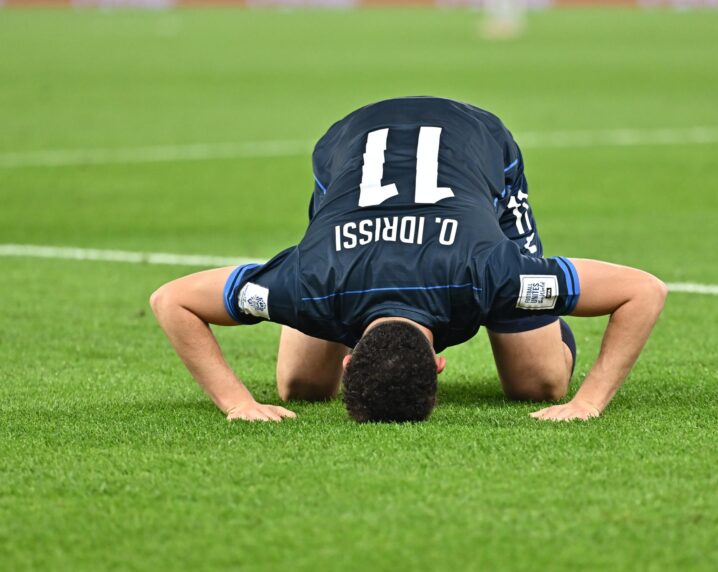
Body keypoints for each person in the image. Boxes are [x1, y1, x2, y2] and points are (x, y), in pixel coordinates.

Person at [150, 97, 667, 423]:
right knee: (302, 388)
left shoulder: (489, 271)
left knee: (539, 383)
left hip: (477, 140)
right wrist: (237, 404)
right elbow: (643, 288)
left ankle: (541, 331)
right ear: (439, 364)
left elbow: (171, 298)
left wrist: (585, 402)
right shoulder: (308, 281)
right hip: (349, 146)